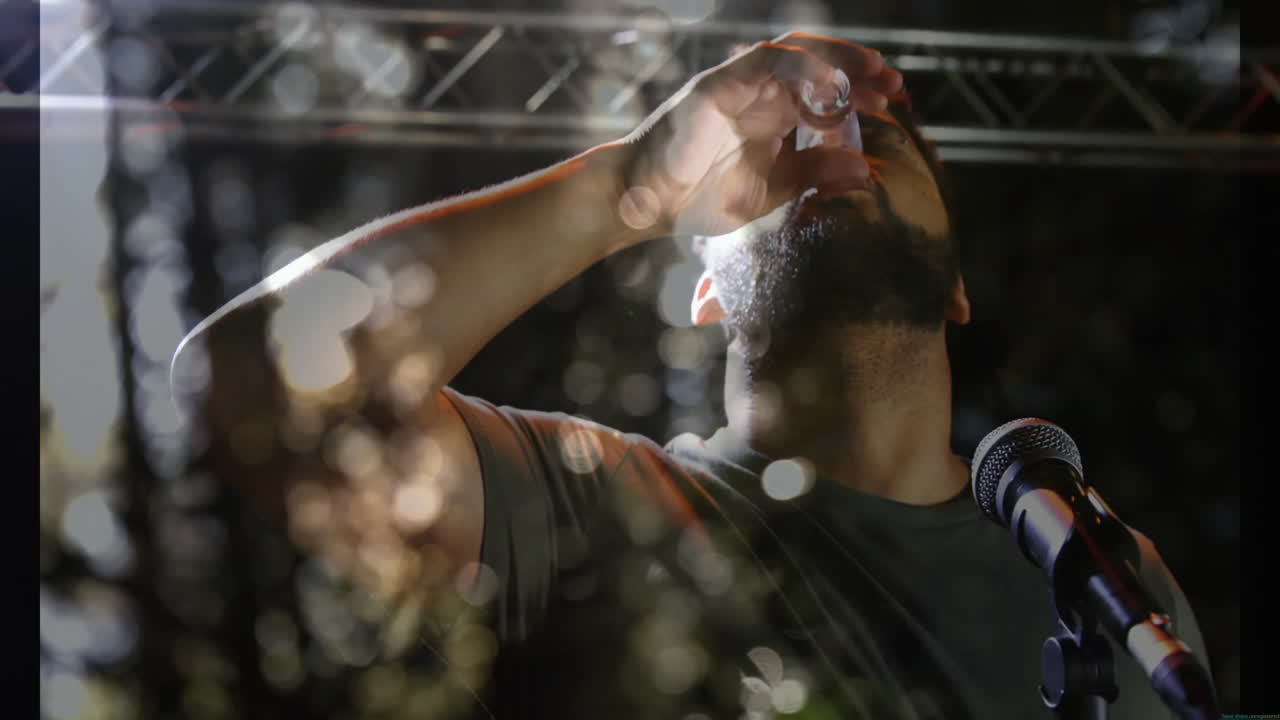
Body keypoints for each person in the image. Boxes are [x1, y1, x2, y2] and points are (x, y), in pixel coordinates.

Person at [172, 32, 1213, 719]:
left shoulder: (1098, 570)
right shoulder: (606, 512)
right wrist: (624, 188)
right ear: (706, 296)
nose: (832, 151)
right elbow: (251, 383)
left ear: (953, 287)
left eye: (880, 142)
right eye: (768, 163)